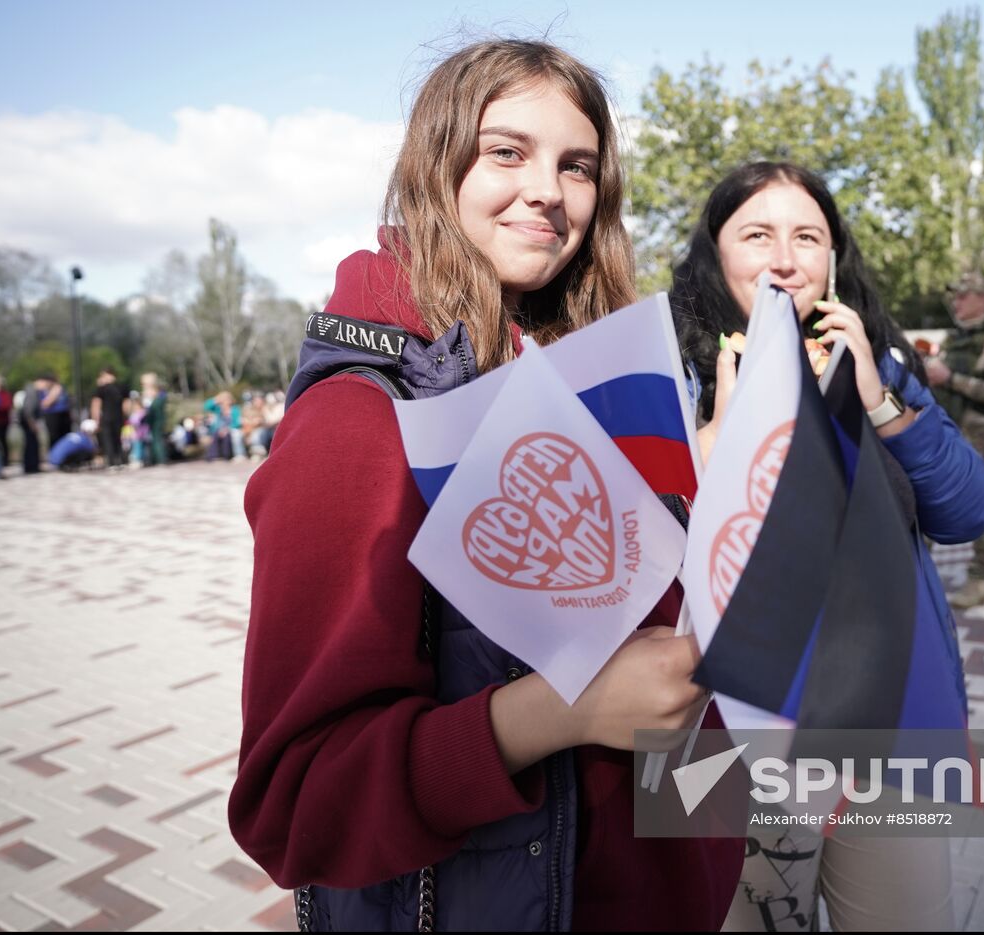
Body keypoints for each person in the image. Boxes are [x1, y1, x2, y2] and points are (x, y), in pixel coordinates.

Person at [228, 39, 742, 931]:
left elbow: (655, 662)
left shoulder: (595, 371)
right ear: (436, 165)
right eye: (507, 151)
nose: (547, 187)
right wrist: (556, 712)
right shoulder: (359, 422)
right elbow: (297, 804)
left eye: (576, 164)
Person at [669, 161, 984, 933]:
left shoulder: (880, 366)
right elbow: (638, 559)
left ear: (832, 259)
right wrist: (706, 446)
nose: (784, 258)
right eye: (757, 234)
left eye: (807, 236)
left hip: (884, 721)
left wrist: (880, 400)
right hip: (734, 730)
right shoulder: (678, 375)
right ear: (716, 255)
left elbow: (968, 511)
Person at [925, 272, 984, 609]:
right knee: (927, 495)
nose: (957, 301)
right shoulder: (954, 339)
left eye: (964, 295)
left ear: (983, 298)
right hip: (946, 427)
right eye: (956, 296)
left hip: (980, 433)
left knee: (982, 502)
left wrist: (951, 378)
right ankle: (917, 573)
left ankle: (980, 579)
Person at [89, 367, 129, 468]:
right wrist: (126, 416)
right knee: (117, 439)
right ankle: (120, 460)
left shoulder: (101, 388)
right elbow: (126, 405)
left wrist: (96, 420)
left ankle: (112, 462)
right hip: (118, 417)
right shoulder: (122, 387)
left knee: (109, 440)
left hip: (107, 417)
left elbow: (96, 405)